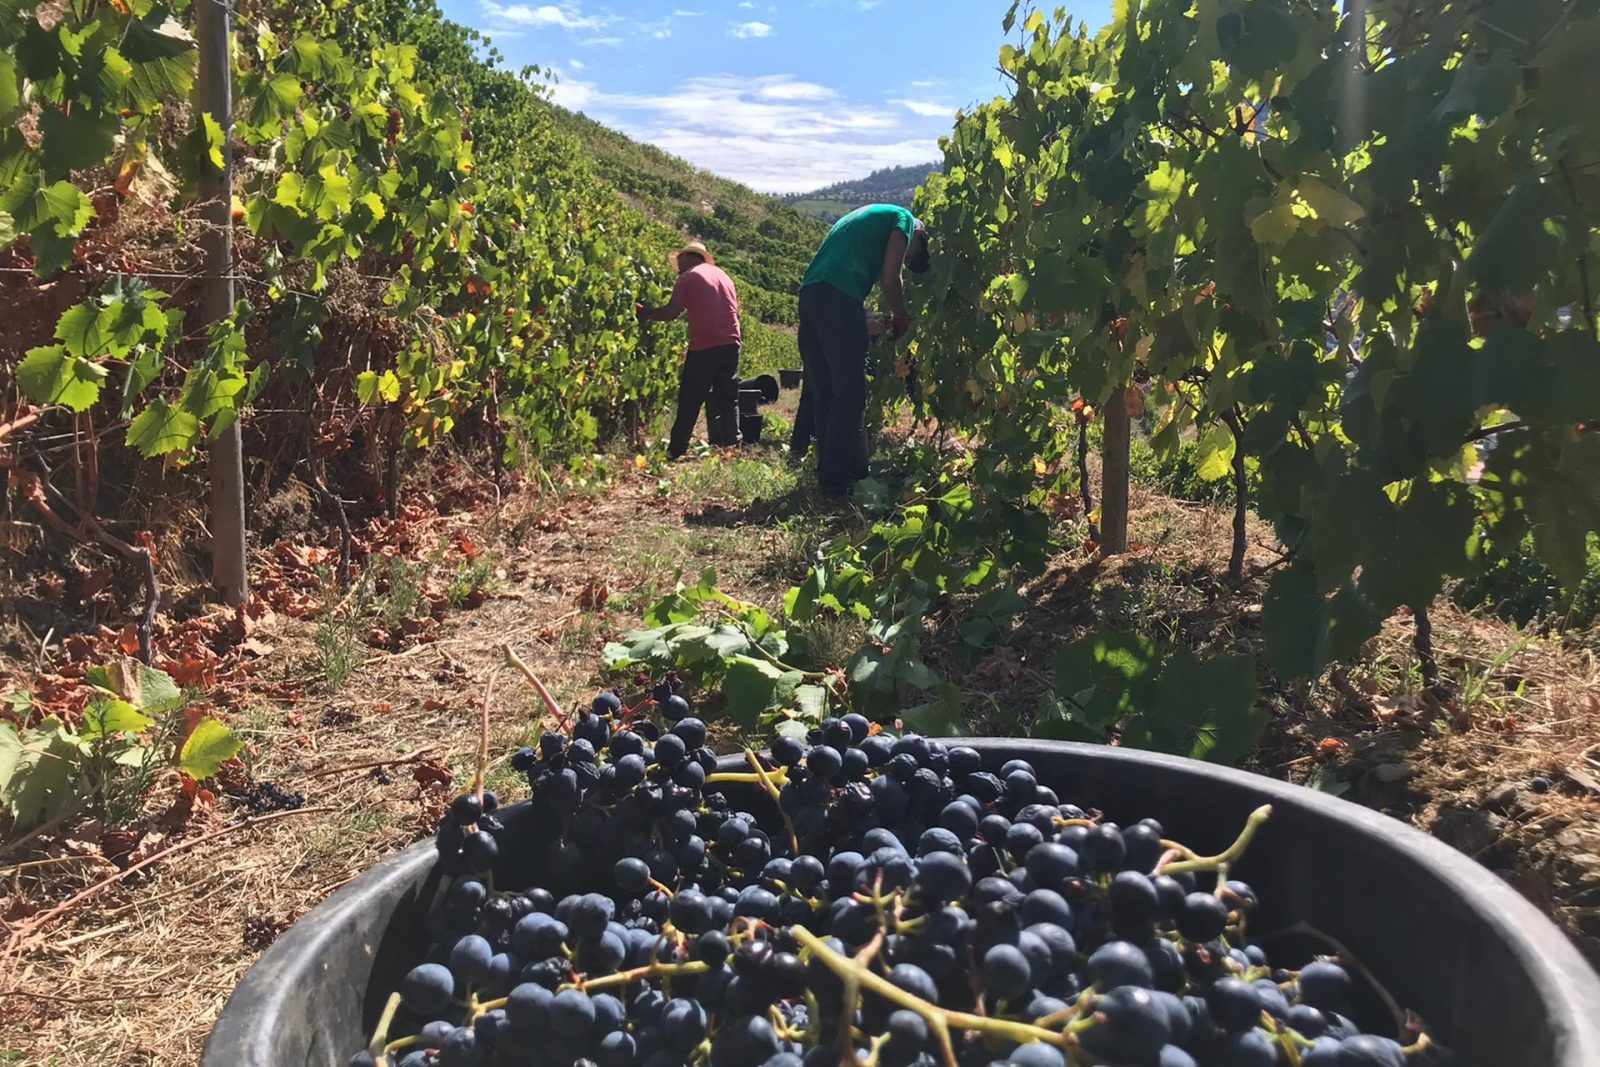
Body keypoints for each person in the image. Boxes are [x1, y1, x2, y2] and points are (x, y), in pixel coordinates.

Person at [793, 204, 931, 495]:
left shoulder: (859, 219)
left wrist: (862, 319)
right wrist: (900, 316)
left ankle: (829, 474)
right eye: (912, 252)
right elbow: (890, 278)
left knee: (826, 392)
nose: (907, 256)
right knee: (849, 394)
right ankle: (836, 481)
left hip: (810, 295)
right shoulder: (903, 219)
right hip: (839, 297)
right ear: (918, 233)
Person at [637, 240, 742, 459]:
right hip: (732, 342)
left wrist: (645, 313)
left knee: (690, 397)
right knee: (727, 397)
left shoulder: (688, 277)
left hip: (706, 344)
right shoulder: (723, 275)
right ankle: (732, 446)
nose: (677, 269)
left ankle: (676, 449)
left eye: (678, 262)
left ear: (687, 258)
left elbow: (670, 313)